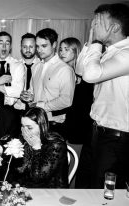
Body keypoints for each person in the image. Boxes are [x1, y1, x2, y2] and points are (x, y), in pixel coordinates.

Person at [76, 3, 129, 189]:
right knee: (85, 184)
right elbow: (81, 69)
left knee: (103, 191)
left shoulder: (126, 54)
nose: (93, 25)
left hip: (116, 137)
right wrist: (92, 41)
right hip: (97, 130)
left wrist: (97, 43)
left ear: (114, 27)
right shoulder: (109, 52)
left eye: (98, 22)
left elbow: (91, 75)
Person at [25, 28, 75, 138]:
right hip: (34, 122)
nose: (39, 50)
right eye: (37, 46)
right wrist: (27, 96)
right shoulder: (36, 67)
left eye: (44, 46)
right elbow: (32, 92)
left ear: (54, 45)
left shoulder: (64, 69)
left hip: (54, 125)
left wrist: (40, 105)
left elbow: (66, 100)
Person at [58, 37, 94, 188]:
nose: (62, 53)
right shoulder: (63, 72)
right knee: (63, 170)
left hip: (79, 129)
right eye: (60, 49)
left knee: (74, 169)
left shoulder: (85, 75)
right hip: (65, 127)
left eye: (67, 49)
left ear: (76, 50)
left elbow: (84, 107)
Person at [11, 107, 68, 188]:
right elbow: (18, 172)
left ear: (41, 126)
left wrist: (36, 147)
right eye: (23, 126)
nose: (25, 131)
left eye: (29, 127)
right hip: (27, 189)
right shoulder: (24, 139)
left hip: (51, 192)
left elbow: (38, 178)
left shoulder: (56, 144)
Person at [14, 33, 40, 111]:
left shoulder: (42, 67)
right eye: (24, 47)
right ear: (21, 48)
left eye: (31, 47)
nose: (28, 50)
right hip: (17, 110)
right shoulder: (14, 66)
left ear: (36, 47)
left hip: (37, 109)